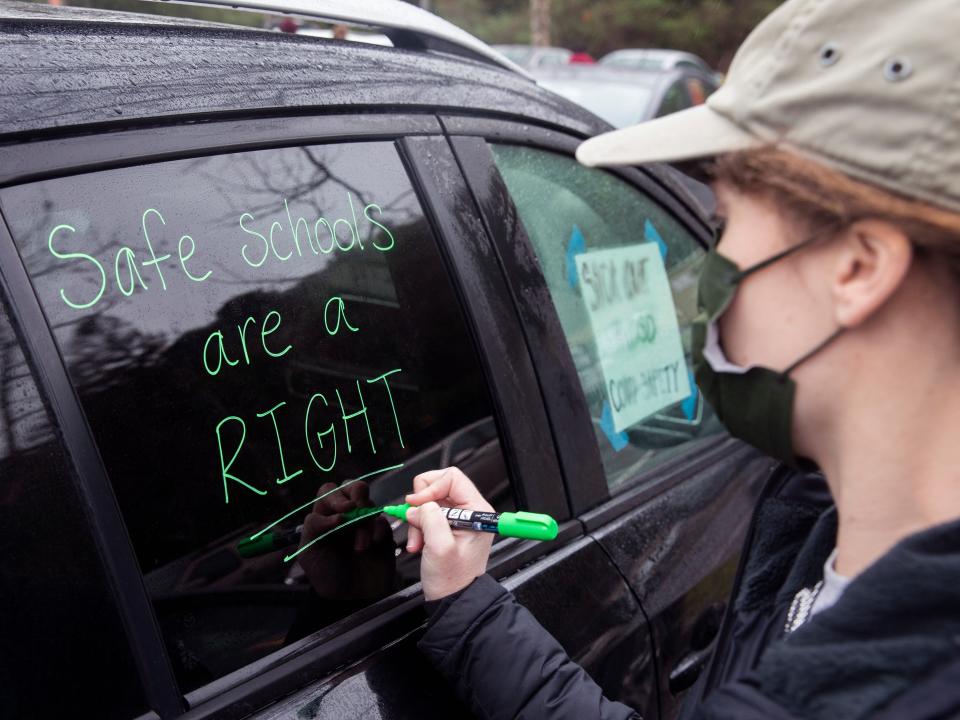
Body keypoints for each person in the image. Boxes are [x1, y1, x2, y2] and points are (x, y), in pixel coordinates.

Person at [401, 0, 960, 717]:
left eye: (723, 226)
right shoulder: (829, 534)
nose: (700, 279)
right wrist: (470, 609)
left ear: (857, 269)